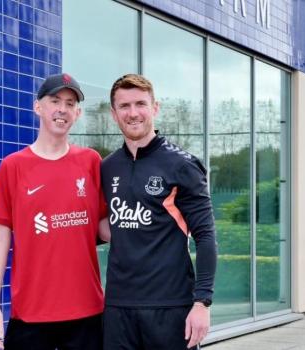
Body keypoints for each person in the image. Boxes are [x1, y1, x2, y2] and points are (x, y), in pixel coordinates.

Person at [0, 73, 105, 349]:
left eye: (70, 103)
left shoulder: (91, 162)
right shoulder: (13, 166)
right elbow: (1, 238)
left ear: (77, 113)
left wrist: (146, 224)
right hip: (30, 315)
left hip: (87, 314)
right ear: (37, 107)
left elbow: (102, 227)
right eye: (55, 101)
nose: (62, 109)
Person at [100, 73, 217, 349]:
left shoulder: (182, 165)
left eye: (140, 104)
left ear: (155, 108)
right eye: (124, 106)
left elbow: (206, 236)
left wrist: (202, 302)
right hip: (118, 307)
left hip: (170, 307)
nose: (133, 113)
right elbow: (103, 227)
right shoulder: (107, 167)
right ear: (113, 113)